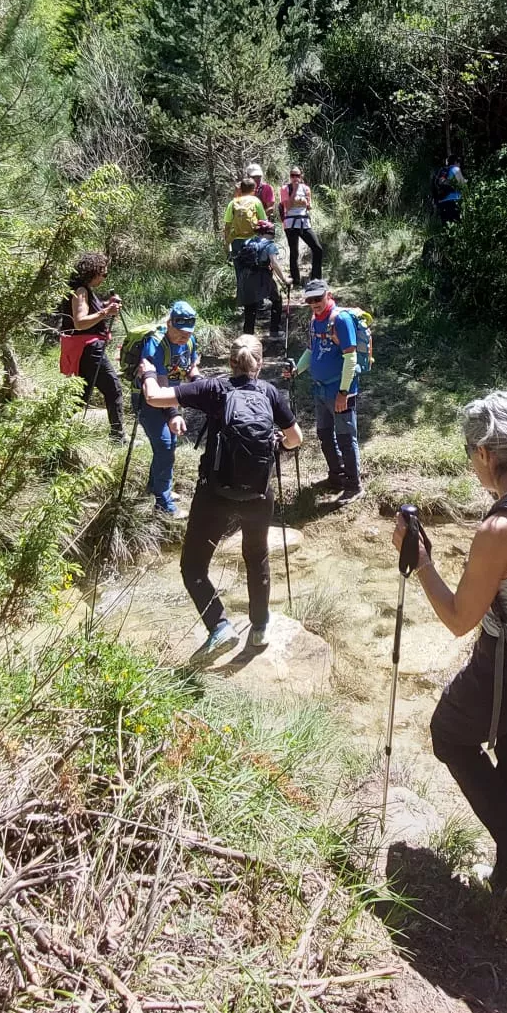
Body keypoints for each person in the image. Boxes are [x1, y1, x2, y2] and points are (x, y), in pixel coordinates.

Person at [393, 390, 507, 923]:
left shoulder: (499, 528)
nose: (472, 464)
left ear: (487, 455)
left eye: (472, 454)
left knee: (449, 734)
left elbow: (458, 619)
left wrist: (421, 561)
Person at [144, 333, 304, 657]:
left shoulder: (213, 389)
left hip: (214, 495)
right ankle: (259, 630)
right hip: (259, 495)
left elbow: (155, 397)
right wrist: (276, 446)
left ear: (231, 362)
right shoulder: (270, 393)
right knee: (256, 558)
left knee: (193, 567)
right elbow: (296, 438)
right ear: (258, 364)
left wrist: (147, 370)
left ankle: (219, 626)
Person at [133, 301, 202, 517]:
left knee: (169, 444)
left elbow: (191, 366)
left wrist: (200, 382)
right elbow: (160, 383)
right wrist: (173, 414)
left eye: (188, 333)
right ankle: (163, 504)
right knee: (164, 445)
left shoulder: (189, 342)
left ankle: (157, 487)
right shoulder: (155, 344)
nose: (184, 337)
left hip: (171, 398)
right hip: (148, 401)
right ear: (169, 323)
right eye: (180, 332)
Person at [303, 278, 362, 503]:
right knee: (325, 435)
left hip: (340, 391)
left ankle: (354, 485)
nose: (315, 303)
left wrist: (343, 392)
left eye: (318, 298)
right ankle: (336, 476)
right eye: (310, 299)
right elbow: (311, 351)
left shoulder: (341, 320)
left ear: (328, 295)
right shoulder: (314, 320)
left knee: (346, 437)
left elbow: (351, 358)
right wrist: (296, 371)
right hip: (320, 390)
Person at [66, 251, 124, 441]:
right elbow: (80, 322)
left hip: (86, 349)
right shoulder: (81, 291)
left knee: (81, 394)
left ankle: (53, 425)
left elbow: (90, 312)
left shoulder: (84, 290)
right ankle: (118, 436)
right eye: (104, 274)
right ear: (93, 272)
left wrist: (107, 305)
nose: (104, 278)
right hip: (90, 350)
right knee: (113, 387)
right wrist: (107, 311)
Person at [235, 219, 288, 340]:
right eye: (272, 233)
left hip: (246, 277)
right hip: (262, 277)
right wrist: (284, 279)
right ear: (268, 232)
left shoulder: (247, 242)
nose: (272, 235)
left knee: (250, 307)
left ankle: (248, 338)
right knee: (277, 299)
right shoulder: (270, 245)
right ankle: (274, 332)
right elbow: (274, 264)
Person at [279, 165, 323, 284]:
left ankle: (316, 278)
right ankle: (296, 280)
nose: (295, 178)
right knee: (294, 252)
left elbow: (309, 205)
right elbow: (287, 207)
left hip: (304, 223)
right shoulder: (285, 188)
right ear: (290, 176)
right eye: (292, 175)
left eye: (297, 175)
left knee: (317, 248)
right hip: (290, 224)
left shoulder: (306, 188)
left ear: (301, 176)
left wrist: (306, 203)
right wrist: (294, 191)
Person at [224, 177, 267, 254]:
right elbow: (264, 222)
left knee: (239, 265)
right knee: (255, 264)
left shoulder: (233, 203)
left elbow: (227, 225)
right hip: (253, 239)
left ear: (241, 189)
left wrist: (227, 244)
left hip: (236, 241)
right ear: (253, 189)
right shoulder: (255, 201)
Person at [430, 154, 466, 223]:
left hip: (442, 202)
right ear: (456, 162)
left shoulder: (443, 171)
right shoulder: (456, 169)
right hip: (454, 202)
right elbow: (463, 186)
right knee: (457, 226)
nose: (460, 165)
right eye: (459, 162)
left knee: (446, 228)